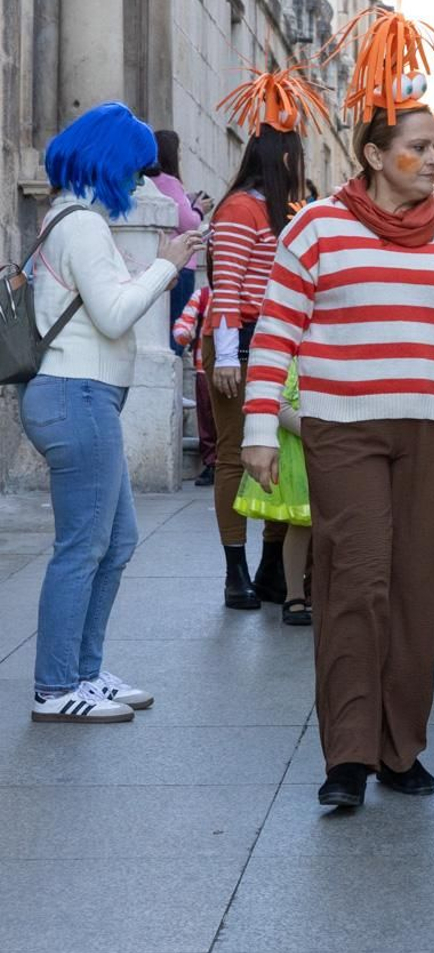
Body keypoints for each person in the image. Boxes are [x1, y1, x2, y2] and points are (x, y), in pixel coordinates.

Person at [241, 8, 434, 809]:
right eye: (418, 150)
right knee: (355, 581)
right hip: (344, 427)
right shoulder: (319, 230)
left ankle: (403, 750)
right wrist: (260, 428)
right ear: (373, 155)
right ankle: (349, 757)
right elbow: (275, 336)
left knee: (413, 590)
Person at [24, 102, 203, 722]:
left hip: (82, 396)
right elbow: (116, 314)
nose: (140, 183)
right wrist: (168, 263)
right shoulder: (83, 226)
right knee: (83, 545)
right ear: (110, 164)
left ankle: (84, 671)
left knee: (115, 539)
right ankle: (55, 688)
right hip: (76, 395)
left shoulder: (73, 220)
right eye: (134, 171)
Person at [208, 66, 325, 612]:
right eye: (298, 157)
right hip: (239, 339)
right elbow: (224, 285)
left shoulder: (282, 213)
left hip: (277, 339)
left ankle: (273, 571)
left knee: (285, 458)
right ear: (282, 159)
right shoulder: (238, 209)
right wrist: (228, 355)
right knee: (237, 455)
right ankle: (236, 572)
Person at [232, 361, 312, 626]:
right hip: (304, 449)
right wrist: (320, 434)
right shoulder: (298, 358)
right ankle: (295, 595)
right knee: (302, 523)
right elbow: (282, 403)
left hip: (336, 446)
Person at [149, 129, 211, 353]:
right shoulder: (170, 182)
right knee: (178, 326)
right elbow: (188, 222)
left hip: (156, 260)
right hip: (181, 263)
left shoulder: (148, 182)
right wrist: (198, 208)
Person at [171, 283, 217, 485]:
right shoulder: (203, 295)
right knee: (207, 419)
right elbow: (182, 325)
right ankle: (212, 463)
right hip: (204, 368)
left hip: (240, 366)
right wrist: (184, 334)